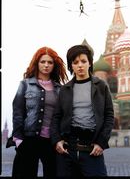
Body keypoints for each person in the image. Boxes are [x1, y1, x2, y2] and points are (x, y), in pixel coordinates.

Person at [50, 44, 114, 177]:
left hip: (92, 149)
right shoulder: (65, 89)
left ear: (90, 63)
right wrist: (57, 140)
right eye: (75, 62)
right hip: (67, 151)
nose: (80, 65)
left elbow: (109, 116)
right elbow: (56, 117)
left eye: (83, 61)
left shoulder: (101, 86)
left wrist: (101, 143)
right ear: (71, 66)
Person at [8, 46, 68, 178]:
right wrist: (18, 140)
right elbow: (18, 112)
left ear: (54, 65)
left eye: (50, 62)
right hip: (29, 139)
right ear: (37, 63)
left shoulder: (60, 89)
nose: (46, 65)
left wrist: (61, 139)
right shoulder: (25, 85)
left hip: (52, 142)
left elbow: (63, 116)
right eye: (43, 62)